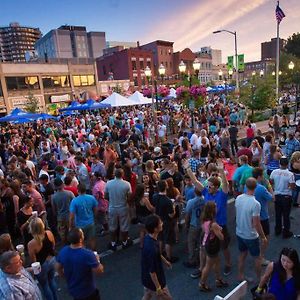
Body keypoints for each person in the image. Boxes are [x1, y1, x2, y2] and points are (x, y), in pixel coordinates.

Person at [56, 228, 104, 300]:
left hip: (74, 290)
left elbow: (57, 267)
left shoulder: (63, 251)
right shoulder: (87, 254)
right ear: (81, 239)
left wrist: (64, 276)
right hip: (88, 291)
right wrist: (97, 260)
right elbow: (99, 271)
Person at [235, 177, 267, 283]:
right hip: (251, 235)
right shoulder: (255, 204)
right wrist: (263, 236)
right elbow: (256, 223)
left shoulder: (238, 198)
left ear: (245, 186)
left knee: (242, 255)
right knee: (257, 258)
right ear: (255, 187)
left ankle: (240, 276)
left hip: (239, 232)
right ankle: (260, 279)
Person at [141, 214, 172, 300]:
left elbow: (158, 253)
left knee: (147, 295)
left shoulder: (148, 238)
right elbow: (152, 272)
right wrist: (158, 288)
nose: (162, 223)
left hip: (146, 278)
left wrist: (165, 261)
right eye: (160, 223)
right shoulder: (152, 248)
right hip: (155, 282)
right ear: (155, 229)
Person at [199, 201, 228, 292]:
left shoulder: (204, 220)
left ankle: (218, 279)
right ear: (212, 210)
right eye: (215, 207)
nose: (217, 208)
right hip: (212, 246)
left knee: (217, 262)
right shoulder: (213, 224)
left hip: (206, 244)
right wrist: (220, 230)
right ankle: (202, 283)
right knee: (208, 266)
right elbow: (221, 237)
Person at [27, 217, 57, 300]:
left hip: (42, 265)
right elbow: (53, 246)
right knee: (52, 280)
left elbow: (33, 260)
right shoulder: (49, 233)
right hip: (52, 260)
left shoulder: (31, 243)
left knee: (45, 285)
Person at [270, 157, 295, 238]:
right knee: (286, 215)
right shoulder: (290, 174)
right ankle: (286, 232)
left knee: (278, 214)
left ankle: (278, 230)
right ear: (287, 164)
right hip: (286, 196)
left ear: (279, 164)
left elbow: (271, 181)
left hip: (277, 195)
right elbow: (292, 186)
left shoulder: (274, 172)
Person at [152, 180, 177, 263]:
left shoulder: (154, 196)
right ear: (166, 187)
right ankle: (169, 257)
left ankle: (159, 254)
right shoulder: (168, 201)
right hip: (167, 222)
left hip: (158, 220)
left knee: (160, 238)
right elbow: (171, 215)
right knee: (168, 240)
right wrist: (174, 206)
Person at [69, 183, 98, 250]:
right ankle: (94, 253)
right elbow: (96, 209)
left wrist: (70, 226)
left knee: (81, 241)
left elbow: (72, 216)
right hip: (90, 222)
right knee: (92, 239)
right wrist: (94, 217)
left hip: (80, 225)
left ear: (77, 190)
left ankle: (84, 254)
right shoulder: (91, 198)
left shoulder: (74, 201)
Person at [51, 178, 74, 245]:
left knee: (62, 233)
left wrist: (56, 215)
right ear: (62, 184)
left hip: (60, 217)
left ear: (55, 186)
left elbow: (54, 210)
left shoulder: (54, 197)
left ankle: (65, 245)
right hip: (70, 216)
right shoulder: (69, 193)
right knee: (72, 231)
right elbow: (75, 204)